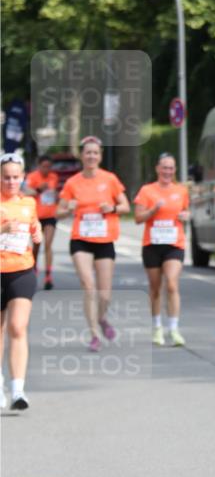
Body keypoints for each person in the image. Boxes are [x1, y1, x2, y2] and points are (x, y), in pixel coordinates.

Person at [56, 137, 129, 352]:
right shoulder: (73, 183)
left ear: (100, 155)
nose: (91, 156)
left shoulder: (110, 179)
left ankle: (101, 318)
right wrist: (68, 209)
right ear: (82, 155)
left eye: (95, 153)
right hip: (81, 240)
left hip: (104, 240)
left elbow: (125, 206)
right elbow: (58, 212)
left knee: (104, 294)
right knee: (89, 287)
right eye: (87, 153)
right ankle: (94, 334)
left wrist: (112, 209)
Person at [134, 153, 190, 346]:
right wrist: (153, 211)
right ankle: (157, 327)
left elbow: (186, 211)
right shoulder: (147, 191)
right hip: (152, 244)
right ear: (158, 169)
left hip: (174, 244)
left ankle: (174, 329)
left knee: (172, 284)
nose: (168, 171)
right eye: (164, 167)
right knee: (155, 288)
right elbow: (138, 218)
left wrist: (185, 216)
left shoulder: (181, 190)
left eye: (171, 168)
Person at [0, 152, 42, 409]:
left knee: (18, 327)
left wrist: (36, 235)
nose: (11, 182)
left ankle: (18, 390)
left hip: (22, 270)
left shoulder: (29, 204)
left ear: (23, 177)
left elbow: (34, 230)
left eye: (16, 177)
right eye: (6, 177)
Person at [24, 154, 59, 289]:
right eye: (44, 167)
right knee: (36, 246)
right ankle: (34, 268)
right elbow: (26, 192)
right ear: (39, 166)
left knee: (48, 245)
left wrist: (56, 196)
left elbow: (54, 195)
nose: (47, 169)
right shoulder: (32, 177)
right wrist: (39, 189)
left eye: (49, 167)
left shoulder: (54, 177)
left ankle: (48, 275)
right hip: (36, 216)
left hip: (50, 215)